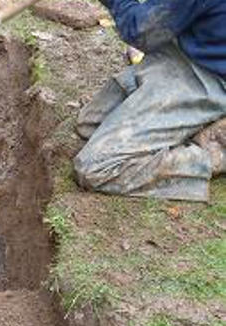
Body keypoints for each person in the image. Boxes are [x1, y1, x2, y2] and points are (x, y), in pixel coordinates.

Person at [74, 0, 226, 202]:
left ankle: (212, 156)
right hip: (183, 52)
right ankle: (196, 128)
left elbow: (142, 31)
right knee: (89, 124)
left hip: (208, 79)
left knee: (96, 167)